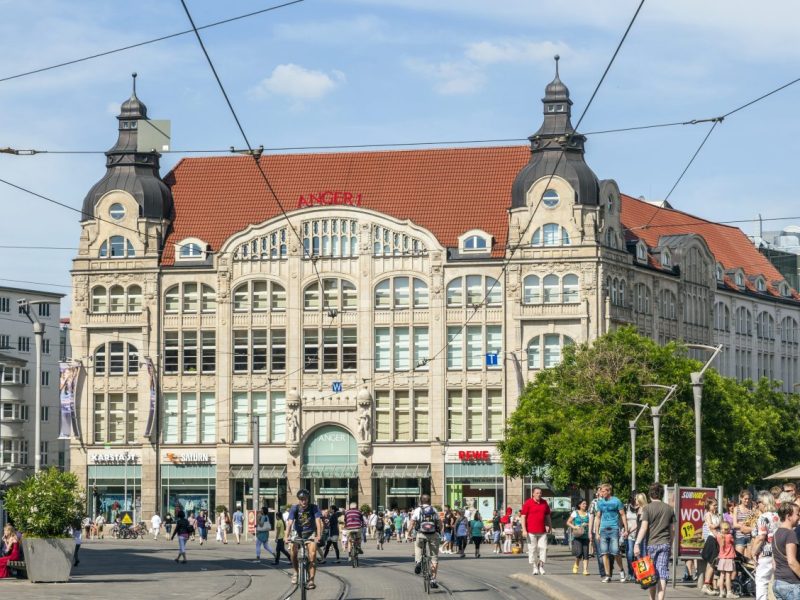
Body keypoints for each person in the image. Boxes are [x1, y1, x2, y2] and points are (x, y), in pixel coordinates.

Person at [634, 482, 676, 600]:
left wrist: (636, 544)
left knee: (651, 573)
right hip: (665, 544)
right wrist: (670, 545)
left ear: (650, 494)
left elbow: (643, 527)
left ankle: (652, 598)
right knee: (662, 573)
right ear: (662, 494)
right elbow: (672, 530)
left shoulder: (647, 508)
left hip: (651, 544)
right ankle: (660, 598)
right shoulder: (669, 509)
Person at [285, 489, 323, 590]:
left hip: (310, 533)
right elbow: (289, 523)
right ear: (299, 500)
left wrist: (318, 535)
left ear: (308, 499)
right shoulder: (294, 508)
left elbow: (318, 522)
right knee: (293, 552)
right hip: (298, 533)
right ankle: (296, 572)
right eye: (301, 499)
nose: (303, 501)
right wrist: (286, 536)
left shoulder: (313, 508)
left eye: (305, 499)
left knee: (313, 555)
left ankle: (311, 581)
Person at [594, 483, 627, 583]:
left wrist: (626, 529)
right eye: (601, 491)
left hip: (614, 529)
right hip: (603, 529)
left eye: (603, 491)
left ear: (609, 491)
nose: (601, 493)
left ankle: (621, 571)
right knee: (604, 553)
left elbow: (623, 515)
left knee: (615, 551)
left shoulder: (616, 501)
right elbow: (598, 517)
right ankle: (608, 575)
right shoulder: (600, 503)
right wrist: (597, 532)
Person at [408, 493, 442, 589]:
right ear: (429, 501)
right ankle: (433, 580)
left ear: (421, 501)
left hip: (421, 534)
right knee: (434, 558)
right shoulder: (434, 510)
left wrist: (409, 534)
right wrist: (441, 533)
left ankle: (418, 561)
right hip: (433, 534)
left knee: (418, 546)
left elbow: (412, 523)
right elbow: (440, 523)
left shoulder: (417, 510)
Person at [752, 490, 780, 600]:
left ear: (764, 503)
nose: (757, 504)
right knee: (773, 581)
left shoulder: (763, 517)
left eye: (758, 502)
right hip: (777, 551)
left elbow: (761, 537)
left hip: (765, 552)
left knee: (761, 581)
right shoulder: (777, 516)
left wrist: (753, 551)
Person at [520, 487, 552, 575]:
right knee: (532, 549)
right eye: (537, 493)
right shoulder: (528, 503)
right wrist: (524, 530)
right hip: (531, 531)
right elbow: (523, 516)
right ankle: (534, 566)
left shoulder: (544, 503)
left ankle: (541, 566)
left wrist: (550, 526)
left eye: (540, 493)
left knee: (544, 548)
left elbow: (548, 516)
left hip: (542, 531)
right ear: (533, 494)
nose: (539, 494)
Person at [773, 501, 800, 600]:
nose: (799, 517)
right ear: (789, 516)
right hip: (791, 585)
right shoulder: (790, 534)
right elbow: (792, 561)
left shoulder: (776, 533)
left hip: (778, 582)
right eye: (797, 514)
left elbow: (774, 563)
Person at [701, 497, 722, 596]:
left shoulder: (716, 514)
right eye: (714, 505)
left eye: (716, 505)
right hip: (711, 539)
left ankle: (708, 584)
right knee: (711, 562)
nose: (716, 506)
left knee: (713, 563)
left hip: (717, 538)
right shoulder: (708, 514)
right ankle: (706, 585)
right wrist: (719, 524)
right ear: (708, 506)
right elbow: (711, 526)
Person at [567, 499, 591, 576]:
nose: (585, 505)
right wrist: (574, 527)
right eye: (583, 504)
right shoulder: (575, 513)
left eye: (586, 504)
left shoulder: (588, 514)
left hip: (586, 536)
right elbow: (568, 522)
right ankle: (576, 565)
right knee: (579, 553)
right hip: (577, 536)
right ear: (579, 505)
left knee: (586, 554)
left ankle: (585, 570)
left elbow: (591, 523)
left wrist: (587, 524)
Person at [715, 521, 738, 599]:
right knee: (728, 576)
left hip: (721, 558)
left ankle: (721, 592)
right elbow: (733, 542)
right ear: (728, 529)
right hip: (729, 558)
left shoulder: (718, 536)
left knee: (721, 576)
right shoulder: (729, 536)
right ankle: (729, 592)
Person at [733, 490, 755, 558]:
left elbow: (754, 523)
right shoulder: (736, 508)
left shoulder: (752, 509)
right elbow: (734, 524)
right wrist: (745, 524)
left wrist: (741, 523)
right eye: (745, 499)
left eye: (749, 499)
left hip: (750, 537)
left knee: (749, 560)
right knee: (739, 559)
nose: (747, 500)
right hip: (740, 537)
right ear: (741, 498)